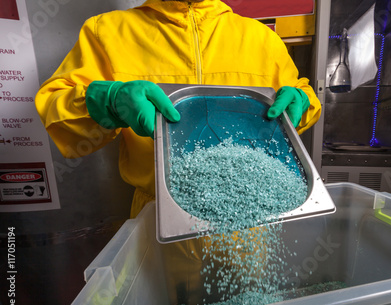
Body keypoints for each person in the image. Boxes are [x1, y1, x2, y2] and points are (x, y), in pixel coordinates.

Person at [35, 0, 321, 219]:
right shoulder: (108, 32)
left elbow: (299, 99)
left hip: (255, 215)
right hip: (158, 217)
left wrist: (302, 103)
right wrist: (108, 100)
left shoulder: (261, 39)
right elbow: (55, 109)